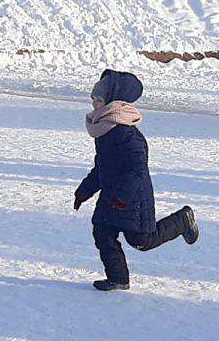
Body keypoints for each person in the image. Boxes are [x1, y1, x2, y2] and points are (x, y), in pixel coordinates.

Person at [73, 69, 199, 290]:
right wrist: (85, 190)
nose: (93, 104)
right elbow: (101, 167)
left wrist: (122, 197)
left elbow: (137, 170)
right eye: (93, 99)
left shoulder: (126, 133)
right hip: (111, 194)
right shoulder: (104, 130)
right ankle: (118, 278)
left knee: (142, 241)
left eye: (98, 99)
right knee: (102, 231)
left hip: (132, 197)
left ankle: (183, 220)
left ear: (113, 102)